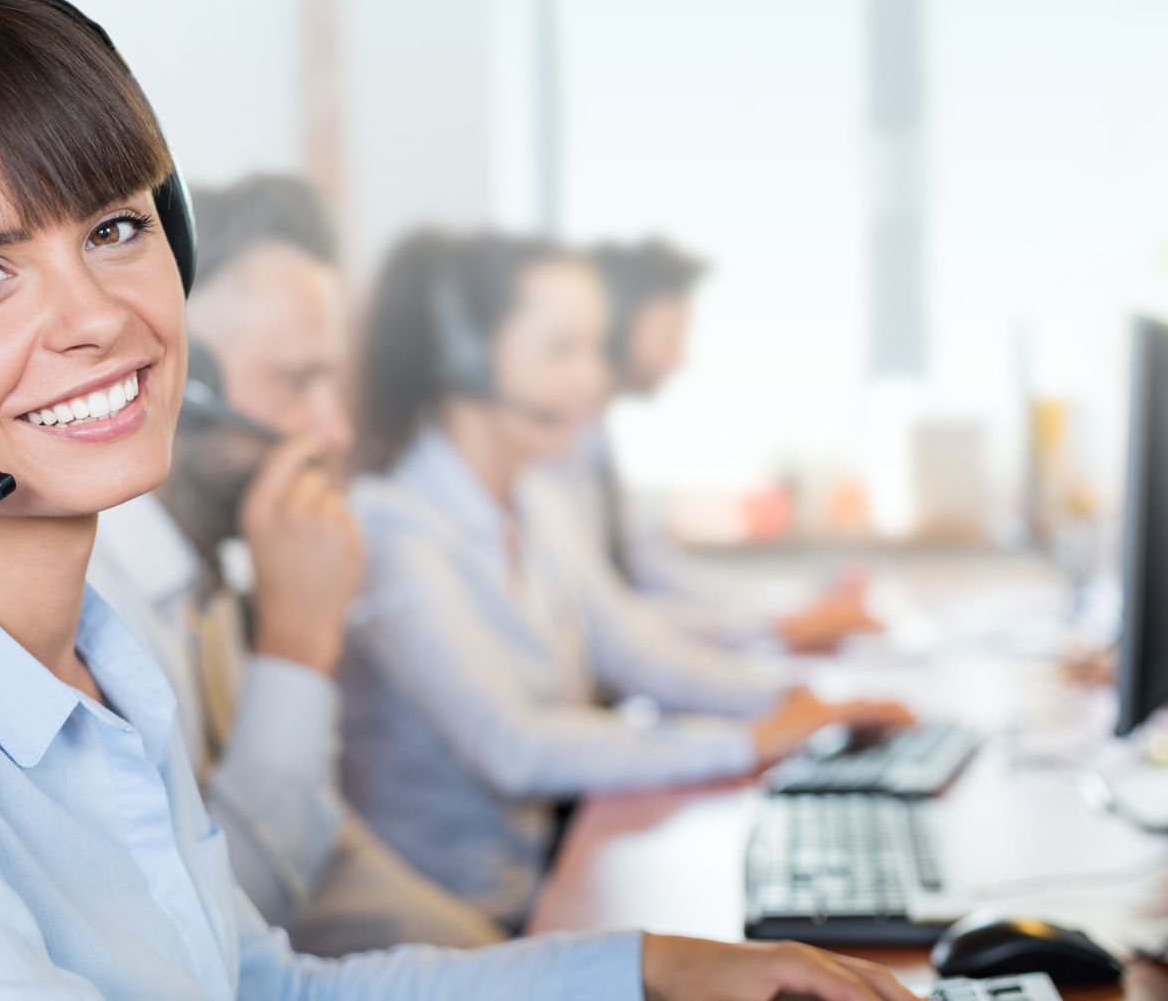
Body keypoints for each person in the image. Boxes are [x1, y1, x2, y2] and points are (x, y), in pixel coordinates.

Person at [0, 0, 916, 1001]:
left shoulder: (100, 662)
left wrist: (650, 968)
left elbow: (254, 983)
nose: (99, 318)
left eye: (116, 229)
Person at [342, 231, 912, 931]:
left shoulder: (538, 499)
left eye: (592, 347)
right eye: (561, 351)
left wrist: (792, 702)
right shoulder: (393, 528)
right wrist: (747, 742)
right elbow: (513, 747)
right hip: (456, 920)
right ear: (466, 359)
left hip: (542, 877)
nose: (591, 378)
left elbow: (637, 651)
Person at [89, 175, 505, 954]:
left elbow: (319, 852)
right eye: (297, 382)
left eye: (335, 383)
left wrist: (539, 966)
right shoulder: (93, 612)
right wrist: (300, 643)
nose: (335, 430)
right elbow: (224, 925)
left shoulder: (218, 580)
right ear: (185, 380)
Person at [575, 237, 881, 653]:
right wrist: (778, 625)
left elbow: (654, 575)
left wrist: (789, 613)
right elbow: (612, 617)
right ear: (614, 325)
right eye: (670, 335)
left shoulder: (593, 438)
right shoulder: (557, 452)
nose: (680, 358)